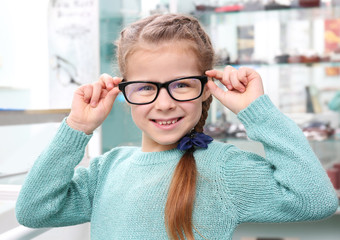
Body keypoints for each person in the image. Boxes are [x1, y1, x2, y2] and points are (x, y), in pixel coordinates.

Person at [16, 13, 338, 240]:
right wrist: (77, 127)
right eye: (145, 87)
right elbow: (33, 210)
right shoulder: (107, 170)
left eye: (182, 85)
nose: (165, 103)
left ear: (207, 86)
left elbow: (315, 200)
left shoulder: (220, 167)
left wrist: (258, 112)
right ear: (124, 93)